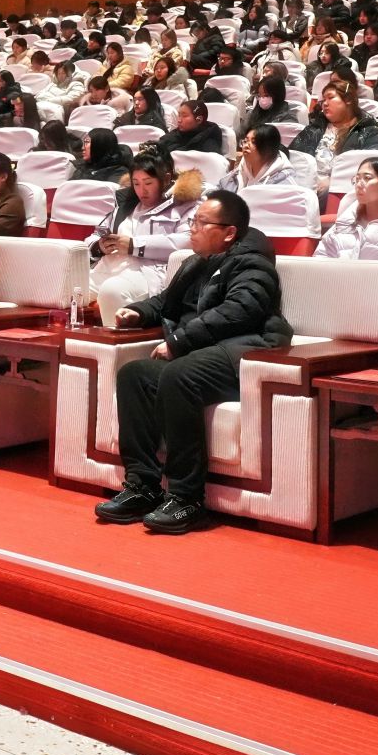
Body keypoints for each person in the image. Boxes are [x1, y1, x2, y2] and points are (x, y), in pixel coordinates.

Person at [94, 191, 287, 534]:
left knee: (179, 374)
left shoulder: (253, 263)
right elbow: (165, 302)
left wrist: (179, 341)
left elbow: (240, 311)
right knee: (135, 374)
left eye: (201, 222)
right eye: (193, 221)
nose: (192, 228)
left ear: (229, 232)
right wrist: (138, 312)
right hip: (204, 351)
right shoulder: (195, 262)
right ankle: (142, 485)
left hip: (246, 351)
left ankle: (187, 498)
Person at [87, 154, 199, 317]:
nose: (142, 190)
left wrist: (134, 246)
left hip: (147, 272)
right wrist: (99, 246)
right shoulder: (125, 205)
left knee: (112, 290)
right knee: (69, 287)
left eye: (148, 183)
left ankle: (118, 334)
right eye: (136, 183)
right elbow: (95, 235)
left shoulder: (184, 205)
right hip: (108, 267)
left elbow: (188, 241)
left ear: (166, 179)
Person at [289, 83, 378, 176]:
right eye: (323, 100)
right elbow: (294, 159)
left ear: (348, 100)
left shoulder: (370, 132)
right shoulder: (313, 128)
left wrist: (331, 182)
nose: (325, 103)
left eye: (330, 98)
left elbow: (373, 171)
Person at [217, 125, 296, 191]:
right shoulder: (239, 172)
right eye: (245, 141)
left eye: (254, 142)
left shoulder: (285, 183)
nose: (246, 146)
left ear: (268, 148)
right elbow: (219, 190)